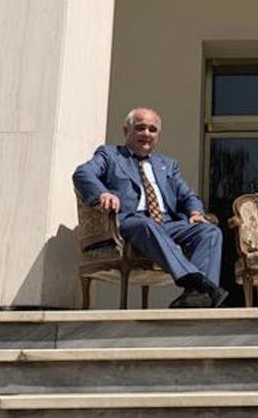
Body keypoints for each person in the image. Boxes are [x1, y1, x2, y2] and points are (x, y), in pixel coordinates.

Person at [73, 107, 226, 308]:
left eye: (152, 130)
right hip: (130, 222)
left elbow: (188, 196)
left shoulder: (168, 165)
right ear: (126, 130)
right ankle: (197, 282)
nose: (147, 134)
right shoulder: (110, 155)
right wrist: (102, 192)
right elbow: (82, 173)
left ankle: (197, 295)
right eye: (140, 128)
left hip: (167, 224)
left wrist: (195, 212)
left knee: (209, 231)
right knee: (145, 223)